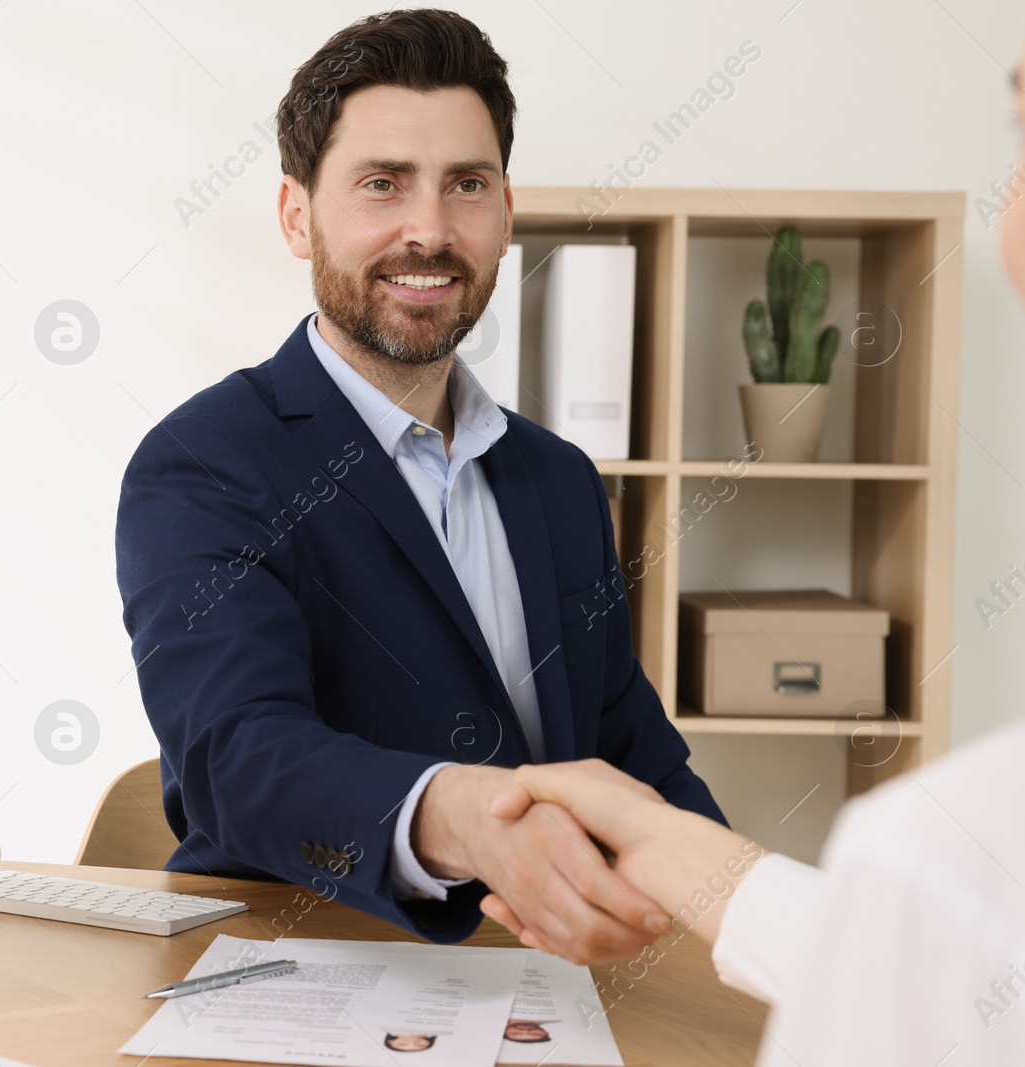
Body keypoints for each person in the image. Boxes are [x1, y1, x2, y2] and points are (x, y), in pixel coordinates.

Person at [481, 7, 1025, 1046]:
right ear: (298, 214)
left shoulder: (949, 862)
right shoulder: (207, 459)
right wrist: (690, 857)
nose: (1012, 208)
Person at [115, 7, 722, 957]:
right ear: (296, 216)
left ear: (506, 213)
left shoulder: (559, 481)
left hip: (536, 985)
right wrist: (465, 813)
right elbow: (236, 758)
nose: (429, 231)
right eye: (382, 185)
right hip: (293, 980)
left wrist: (764, 910)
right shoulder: (203, 463)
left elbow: (629, 750)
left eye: (466, 185)